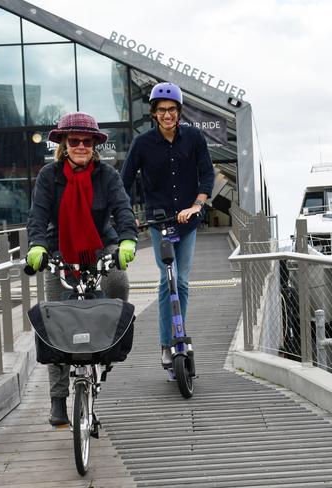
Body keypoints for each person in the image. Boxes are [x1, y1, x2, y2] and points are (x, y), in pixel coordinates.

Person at [26, 111, 138, 425]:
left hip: (101, 243)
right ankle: (58, 399)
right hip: (60, 246)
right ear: (63, 143)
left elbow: (122, 209)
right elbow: (38, 215)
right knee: (55, 319)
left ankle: (111, 343)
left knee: (117, 281)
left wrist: (128, 240)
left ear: (94, 145)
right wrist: (37, 247)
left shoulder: (107, 176)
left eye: (86, 141)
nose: (80, 146)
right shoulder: (49, 176)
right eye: (73, 140)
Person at [121, 82, 214, 367]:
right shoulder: (142, 144)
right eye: (161, 110)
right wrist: (128, 213)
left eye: (172, 109)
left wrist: (196, 205)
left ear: (179, 112)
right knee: (167, 280)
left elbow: (207, 175)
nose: (167, 115)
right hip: (159, 222)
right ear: (153, 113)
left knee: (182, 281)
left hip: (186, 222)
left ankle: (178, 334)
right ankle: (166, 342)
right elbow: (123, 182)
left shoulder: (194, 138)